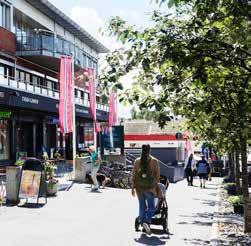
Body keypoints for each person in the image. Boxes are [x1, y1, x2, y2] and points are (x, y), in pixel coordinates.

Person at [131, 144, 160, 235]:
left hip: (139, 188)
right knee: (151, 207)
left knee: (142, 207)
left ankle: (143, 223)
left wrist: (133, 187)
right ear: (149, 150)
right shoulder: (154, 161)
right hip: (150, 188)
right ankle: (147, 222)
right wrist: (153, 185)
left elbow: (134, 175)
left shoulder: (137, 161)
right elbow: (157, 175)